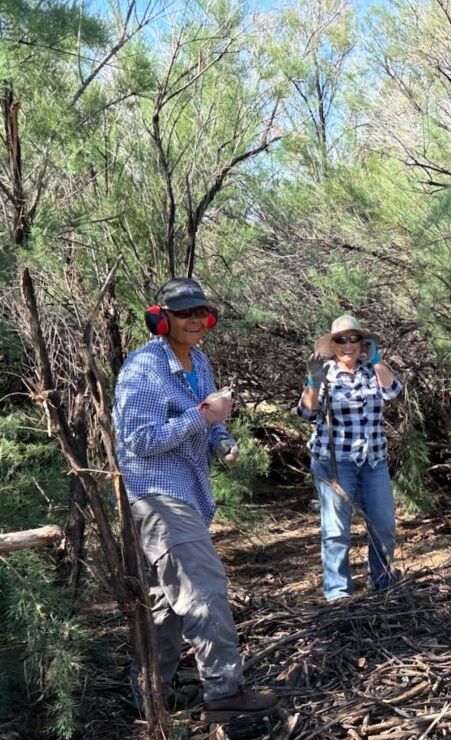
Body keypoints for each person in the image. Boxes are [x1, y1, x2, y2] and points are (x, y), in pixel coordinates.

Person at [113, 278, 277, 721]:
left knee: (165, 607)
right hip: (157, 499)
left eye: (200, 312)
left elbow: (208, 419)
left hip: (186, 495)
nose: (194, 321)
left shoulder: (199, 362)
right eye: (183, 313)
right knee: (204, 590)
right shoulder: (143, 369)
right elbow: (138, 441)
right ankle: (224, 694)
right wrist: (201, 416)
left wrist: (220, 438)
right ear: (160, 318)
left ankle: (150, 696)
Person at [297, 314, 404, 602]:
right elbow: (307, 412)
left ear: (362, 343)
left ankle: (382, 583)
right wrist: (313, 381)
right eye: (340, 340)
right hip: (334, 463)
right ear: (332, 345)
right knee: (336, 532)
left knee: (383, 526)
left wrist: (378, 359)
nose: (347, 345)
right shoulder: (325, 372)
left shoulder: (372, 371)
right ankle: (338, 593)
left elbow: (394, 392)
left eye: (353, 339)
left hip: (373, 460)